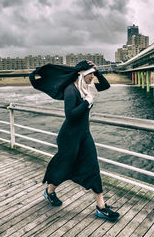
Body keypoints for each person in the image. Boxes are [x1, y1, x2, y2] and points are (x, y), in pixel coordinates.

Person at [29, 60, 120, 221]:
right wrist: (87, 101)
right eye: (90, 74)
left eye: (92, 74)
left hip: (84, 135)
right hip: (69, 137)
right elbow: (70, 115)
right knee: (64, 168)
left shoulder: (87, 88)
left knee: (93, 167)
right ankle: (49, 192)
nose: (92, 77)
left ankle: (101, 207)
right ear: (81, 74)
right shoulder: (71, 90)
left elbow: (106, 86)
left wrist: (97, 71)